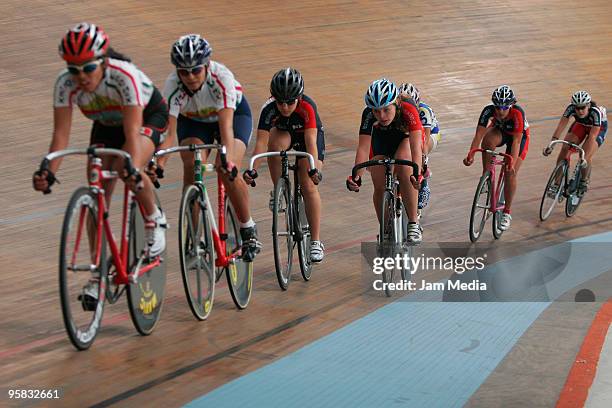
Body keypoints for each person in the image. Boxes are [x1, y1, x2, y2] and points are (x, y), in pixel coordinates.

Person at [32, 23, 169, 306]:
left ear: (104, 61)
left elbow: (131, 135)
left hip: (147, 118)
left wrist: (130, 168)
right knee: (96, 196)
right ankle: (98, 275)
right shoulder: (65, 84)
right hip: (106, 124)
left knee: (127, 168)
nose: (80, 76)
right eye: (73, 69)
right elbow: (60, 136)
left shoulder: (124, 77)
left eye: (88, 68)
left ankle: (154, 218)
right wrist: (47, 172)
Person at [157, 34, 261, 261]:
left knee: (225, 168)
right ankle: (194, 237)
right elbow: (168, 134)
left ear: (206, 66)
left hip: (231, 118)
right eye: (184, 72)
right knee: (192, 166)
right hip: (193, 122)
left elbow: (225, 129)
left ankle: (248, 228)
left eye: (195, 70)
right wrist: (160, 163)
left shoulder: (221, 78)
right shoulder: (172, 86)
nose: (190, 77)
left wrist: (228, 160)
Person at [243, 68, 325, 262]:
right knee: (274, 144)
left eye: (290, 102)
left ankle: (315, 241)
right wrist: (252, 169)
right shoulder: (269, 109)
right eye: (280, 102)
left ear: (298, 98)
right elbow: (261, 144)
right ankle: (279, 188)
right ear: (274, 98)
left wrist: (313, 169)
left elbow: (311, 142)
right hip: (285, 134)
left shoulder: (307, 107)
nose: (285, 107)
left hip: (307, 137)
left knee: (308, 186)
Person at [347, 78, 424, 244]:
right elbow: (363, 147)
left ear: (396, 103)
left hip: (405, 138)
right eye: (376, 111)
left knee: (405, 164)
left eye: (386, 110)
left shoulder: (408, 109)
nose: (381, 116)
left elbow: (416, 147)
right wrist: (356, 176)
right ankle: (386, 229)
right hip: (382, 142)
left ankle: (413, 223)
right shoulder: (368, 114)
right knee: (378, 179)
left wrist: (417, 173)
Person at [463, 85, 530, 231]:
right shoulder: (488, 110)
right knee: (487, 140)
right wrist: (471, 153)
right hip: (502, 131)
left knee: (509, 173)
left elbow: (517, 142)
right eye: (498, 107)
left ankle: (507, 213)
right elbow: (479, 135)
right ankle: (487, 176)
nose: (500, 111)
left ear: (511, 105)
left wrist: (511, 162)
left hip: (519, 139)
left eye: (505, 108)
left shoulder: (518, 113)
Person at [543, 90, 607, 194]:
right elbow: (561, 126)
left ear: (588, 105)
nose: (580, 111)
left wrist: (584, 157)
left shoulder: (596, 113)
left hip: (597, 129)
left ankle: (584, 180)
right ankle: (556, 184)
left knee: (585, 155)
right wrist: (551, 145)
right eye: (577, 108)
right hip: (581, 125)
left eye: (583, 107)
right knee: (564, 148)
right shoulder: (570, 108)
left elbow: (592, 136)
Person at [399, 83, 441, 213]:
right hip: (411, 129)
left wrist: (422, 156)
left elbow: (425, 137)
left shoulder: (424, 111)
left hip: (431, 133)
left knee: (422, 149)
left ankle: (424, 181)